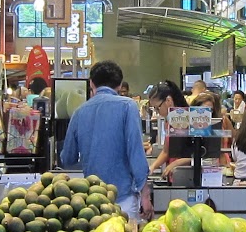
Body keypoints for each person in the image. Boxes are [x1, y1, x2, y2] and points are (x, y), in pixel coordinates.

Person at [60, 60, 151, 221]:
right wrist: (145, 194)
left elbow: (68, 159)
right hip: (124, 199)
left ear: (91, 83)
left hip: (92, 203)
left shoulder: (79, 112)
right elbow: (135, 152)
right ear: (120, 84)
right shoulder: (128, 106)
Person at [147, 81, 190, 174]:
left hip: (187, 174)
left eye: (157, 108)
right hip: (174, 174)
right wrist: (152, 167)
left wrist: (177, 163)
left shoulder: (187, 119)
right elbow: (166, 151)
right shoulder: (168, 122)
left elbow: (201, 154)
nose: (156, 112)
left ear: (168, 101)